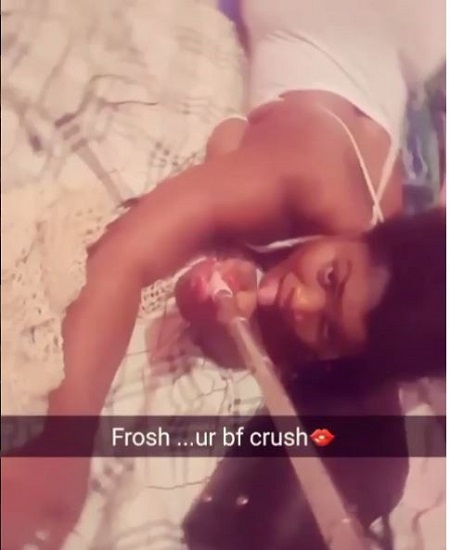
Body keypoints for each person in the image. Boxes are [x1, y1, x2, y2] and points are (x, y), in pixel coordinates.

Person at [1, 1, 445, 549]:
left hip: (403, 54)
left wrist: (218, 319)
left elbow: (248, 341)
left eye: (328, 330)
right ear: (362, 237)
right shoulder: (309, 178)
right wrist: (61, 454)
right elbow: (125, 254)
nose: (301, 305)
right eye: (330, 277)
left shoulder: (373, 288)